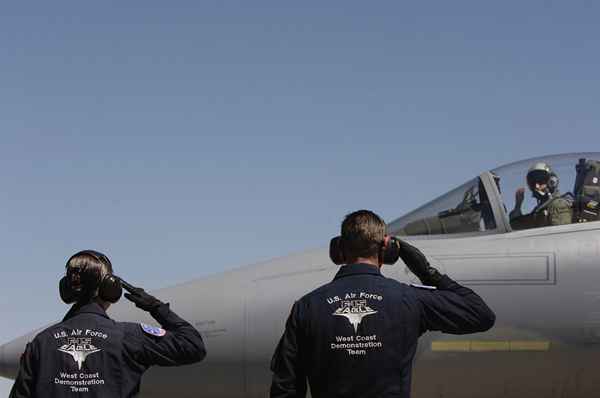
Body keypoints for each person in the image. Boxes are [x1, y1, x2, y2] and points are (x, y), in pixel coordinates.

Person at [270, 210, 495, 398]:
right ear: (386, 248)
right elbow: (480, 314)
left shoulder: (307, 306)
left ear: (339, 248)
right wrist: (427, 272)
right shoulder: (409, 299)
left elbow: (285, 388)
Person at [9, 250, 206, 398]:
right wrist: (155, 306)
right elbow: (193, 345)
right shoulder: (129, 337)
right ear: (110, 289)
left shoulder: (40, 344)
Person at [509, 162, 573, 229]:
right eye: (533, 183)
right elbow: (516, 226)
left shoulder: (558, 205)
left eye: (540, 181)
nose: (536, 186)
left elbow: (560, 234)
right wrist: (518, 205)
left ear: (552, 181)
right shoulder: (539, 209)